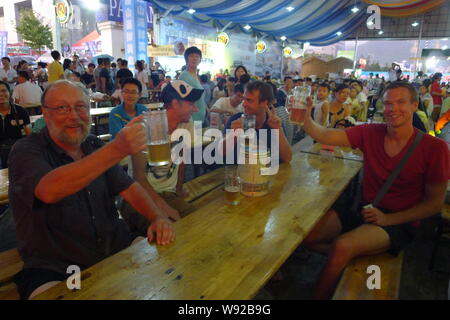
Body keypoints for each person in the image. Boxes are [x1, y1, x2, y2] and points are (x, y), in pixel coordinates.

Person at [8, 80, 175, 300]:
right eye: (62, 108)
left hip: (115, 247)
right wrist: (117, 149)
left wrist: (157, 217)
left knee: (173, 268)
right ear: (45, 114)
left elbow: (129, 188)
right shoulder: (26, 150)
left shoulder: (93, 145)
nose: (74, 116)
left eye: (80, 107)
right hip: (57, 266)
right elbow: (49, 190)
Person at [302, 81, 450, 300]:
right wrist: (305, 118)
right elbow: (325, 135)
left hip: (399, 223)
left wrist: (388, 220)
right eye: (388, 103)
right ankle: (342, 260)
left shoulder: (435, 148)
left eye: (400, 102)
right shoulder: (372, 132)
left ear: (414, 105)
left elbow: (434, 204)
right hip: (364, 210)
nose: (392, 109)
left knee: (342, 247)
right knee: (307, 235)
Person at [121, 80, 205, 235]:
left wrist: (178, 189)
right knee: (169, 230)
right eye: (190, 104)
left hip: (168, 194)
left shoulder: (186, 124)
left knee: (198, 223)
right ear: (175, 103)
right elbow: (138, 177)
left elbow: (182, 159)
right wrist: (163, 207)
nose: (195, 109)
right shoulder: (143, 127)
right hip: (139, 197)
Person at [221, 81, 292, 163]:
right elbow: (221, 152)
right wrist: (233, 135)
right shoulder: (235, 120)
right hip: (238, 172)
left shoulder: (273, 123)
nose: (244, 104)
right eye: (244, 99)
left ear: (264, 102)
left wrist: (278, 129)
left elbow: (287, 158)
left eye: (249, 100)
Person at [0, 81, 31, 168]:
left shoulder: (21, 111)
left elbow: (29, 135)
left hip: (18, 150)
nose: (1, 94)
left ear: (9, 92)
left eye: (3, 91)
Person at [179, 46, 207, 124]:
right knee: (192, 136)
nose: (194, 58)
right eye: (191, 56)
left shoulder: (196, 76)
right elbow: (183, 98)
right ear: (186, 59)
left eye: (197, 56)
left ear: (200, 60)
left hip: (200, 116)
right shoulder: (184, 76)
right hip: (191, 118)